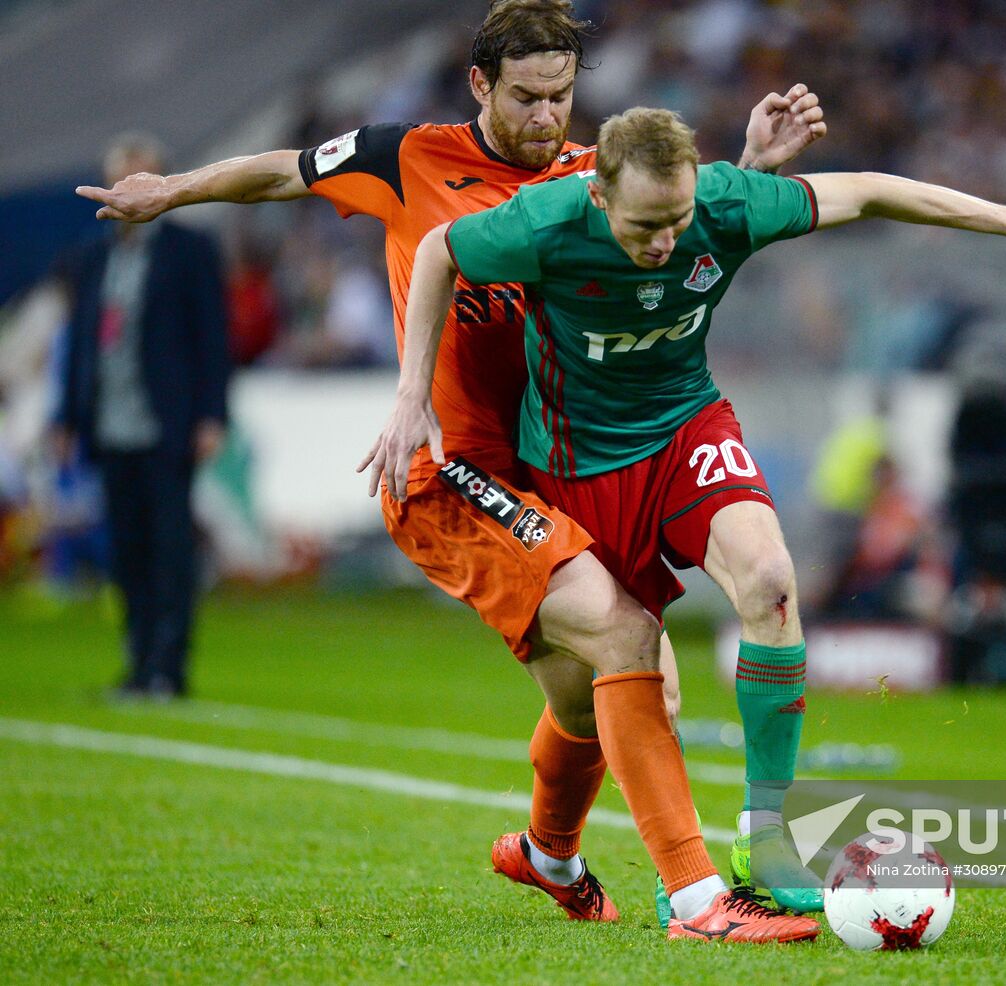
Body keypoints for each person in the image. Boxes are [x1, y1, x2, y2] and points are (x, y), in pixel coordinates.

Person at [74, 0, 825, 943]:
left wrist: (750, 171)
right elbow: (285, 171)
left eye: (562, 96)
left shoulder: (589, 180)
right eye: (527, 96)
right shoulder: (406, 156)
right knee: (629, 644)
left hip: (554, 464)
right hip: (449, 471)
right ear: (480, 83)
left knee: (596, 695)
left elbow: (677, 246)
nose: (549, 117)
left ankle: (549, 854)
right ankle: (699, 901)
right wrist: (172, 190)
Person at [366, 106, 1006, 916]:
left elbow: (865, 192)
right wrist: (412, 395)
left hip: (686, 425)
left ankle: (763, 841)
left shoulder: (727, 202)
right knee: (618, 688)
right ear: (599, 196)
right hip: (576, 463)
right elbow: (442, 249)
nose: (665, 242)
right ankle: (602, 861)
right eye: (646, 225)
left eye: (678, 219)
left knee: (769, 580)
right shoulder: (546, 220)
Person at [55, 134, 230, 698]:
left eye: (143, 179)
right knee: (125, 552)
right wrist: (65, 416)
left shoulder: (190, 251)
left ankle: (168, 667)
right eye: (122, 181)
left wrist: (212, 415)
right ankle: (138, 663)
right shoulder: (92, 256)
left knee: (170, 550)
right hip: (108, 424)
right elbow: (80, 342)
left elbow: (212, 341)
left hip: (167, 423)